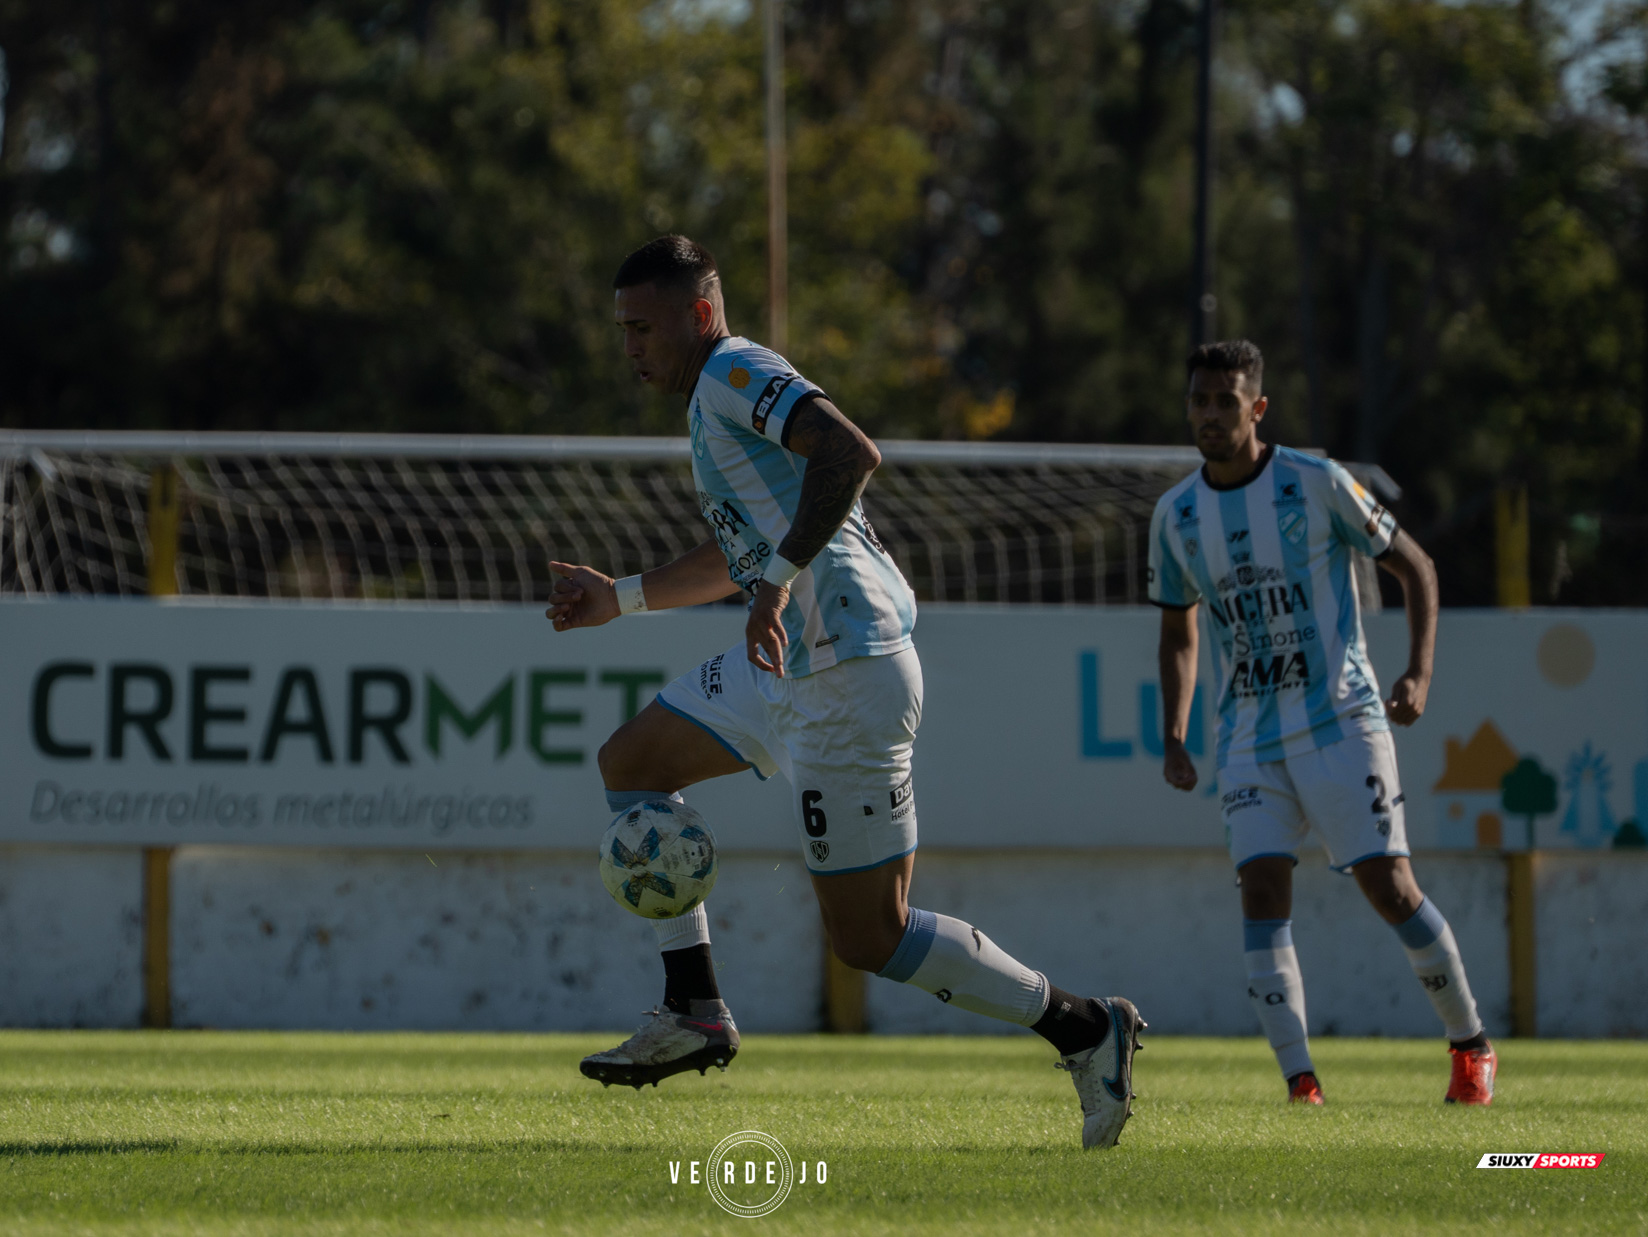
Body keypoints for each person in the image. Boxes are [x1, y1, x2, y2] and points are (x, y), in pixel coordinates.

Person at [545, 235, 1145, 1148]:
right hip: (785, 666)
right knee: (630, 762)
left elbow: (851, 453)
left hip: (846, 675)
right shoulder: (713, 401)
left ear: (700, 316)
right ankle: (694, 1003)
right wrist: (621, 599)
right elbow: (740, 553)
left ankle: (1084, 1026)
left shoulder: (735, 371)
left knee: (871, 939)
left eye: (643, 328)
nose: (630, 346)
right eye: (621, 330)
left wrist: (778, 583)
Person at [1149, 339, 1496, 1106]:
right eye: (1199, 400)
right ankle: (1300, 1081)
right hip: (1246, 737)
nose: (1209, 414)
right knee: (1262, 890)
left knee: (1389, 885)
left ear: (1257, 407)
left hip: (1341, 718)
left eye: (1225, 401)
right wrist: (1175, 736)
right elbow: (1180, 632)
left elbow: (1418, 566)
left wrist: (1419, 672)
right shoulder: (1174, 516)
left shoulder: (1316, 482)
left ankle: (1471, 1045)